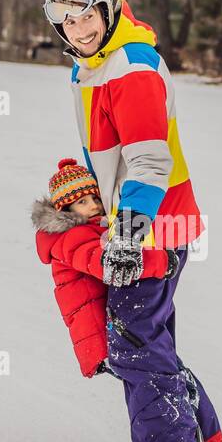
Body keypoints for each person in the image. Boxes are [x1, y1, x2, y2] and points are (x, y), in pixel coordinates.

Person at [41, 0, 222, 442]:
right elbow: (113, 155)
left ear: (108, 9)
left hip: (149, 226)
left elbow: (148, 158)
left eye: (86, 16)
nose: (78, 29)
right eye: (66, 22)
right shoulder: (93, 67)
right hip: (150, 222)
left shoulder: (130, 68)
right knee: (151, 340)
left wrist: (125, 234)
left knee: (133, 344)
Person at [31, 158, 176, 379]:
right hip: (99, 336)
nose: (93, 206)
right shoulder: (70, 238)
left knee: (154, 369)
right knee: (148, 375)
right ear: (65, 209)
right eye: (82, 202)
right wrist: (161, 261)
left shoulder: (86, 229)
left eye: (95, 198)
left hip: (102, 329)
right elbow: (107, 263)